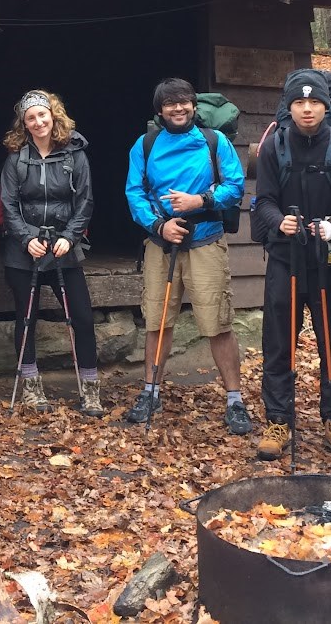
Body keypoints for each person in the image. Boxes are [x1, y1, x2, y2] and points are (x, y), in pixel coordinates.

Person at [124, 78, 250, 434]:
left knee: (218, 322)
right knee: (157, 321)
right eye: (170, 104)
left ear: (194, 105)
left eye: (184, 102)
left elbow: (235, 185)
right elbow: (135, 192)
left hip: (206, 240)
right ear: (159, 110)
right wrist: (158, 226)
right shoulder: (146, 145)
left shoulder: (214, 141)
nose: (178, 109)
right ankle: (151, 391)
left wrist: (201, 201)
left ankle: (234, 400)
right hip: (162, 243)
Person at [250, 70, 331, 461]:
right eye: (300, 102)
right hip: (285, 260)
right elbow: (262, 199)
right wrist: (279, 220)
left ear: (325, 106)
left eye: (314, 103)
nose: (308, 109)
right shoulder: (273, 147)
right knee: (279, 345)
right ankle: (278, 420)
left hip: (328, 261)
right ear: (289, 106)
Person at [0, 90, 102, 416]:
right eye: (31, 117)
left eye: (43, 115)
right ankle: (31, 389)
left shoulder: (75, 156)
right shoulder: (16, 158)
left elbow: (85, 202)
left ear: (54, 115)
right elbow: (8, 204)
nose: (38, 121)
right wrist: (26, 237)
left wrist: (70, 238)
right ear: (24, 124)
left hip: (64, 248)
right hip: (24, 250)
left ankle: (90, 391)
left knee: (83, 318)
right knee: (26, 319)